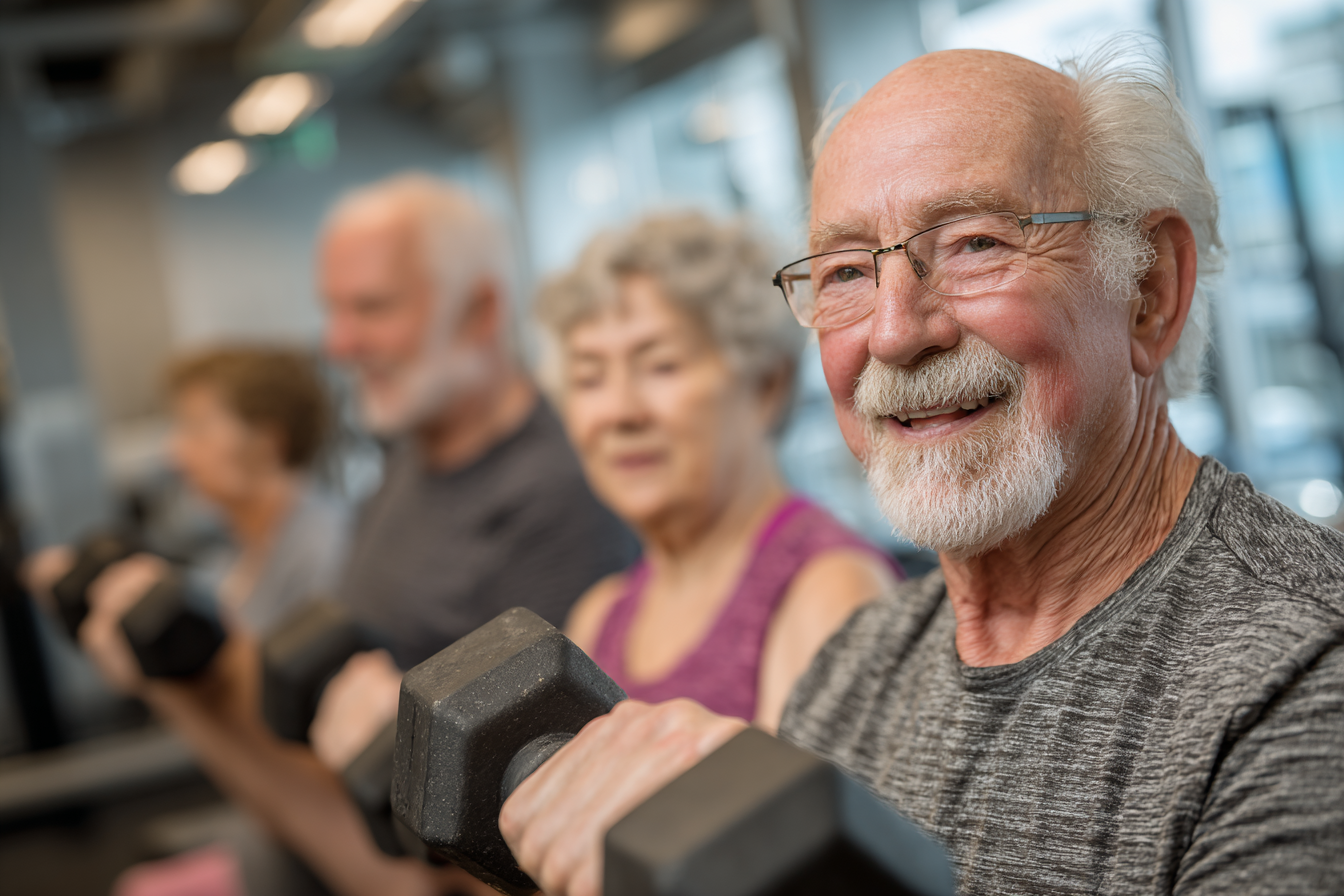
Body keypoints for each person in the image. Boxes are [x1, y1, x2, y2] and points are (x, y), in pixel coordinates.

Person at [491, 47, 1344, 896]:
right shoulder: (854, 668)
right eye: (847, 272)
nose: (896, 332)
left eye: (976, 243)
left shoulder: (1306, 665)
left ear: (1150, 289)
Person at [78, 174, 634, 896]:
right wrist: (183, 682)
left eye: (371, 308)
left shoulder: (560, 498)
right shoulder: (402, 467)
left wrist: (200, 688)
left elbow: (496, 858)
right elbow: (316, 722)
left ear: (480, 311)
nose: (338, 344)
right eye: (332, 311)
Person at [534, 212, 901, 731]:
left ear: (766, 385)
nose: (620, 412)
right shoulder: (597, 619)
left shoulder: (831, 590)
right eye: (588, 377)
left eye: (661, 365)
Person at [26, 346, 346, 635]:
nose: (174, 454)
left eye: (197, 428)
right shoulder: (232, 556)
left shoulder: (327, 554)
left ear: (267, 442)